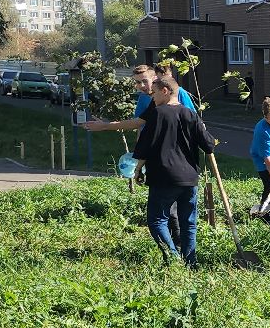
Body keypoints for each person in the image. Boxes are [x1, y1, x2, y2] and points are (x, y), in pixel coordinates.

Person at [87, 75, 214, 266]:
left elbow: (147, 145)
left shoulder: (157, 114)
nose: (152, 97)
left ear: (165, 91)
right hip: (189, 178)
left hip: (163, 176)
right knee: (189, 223)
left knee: (157, 220)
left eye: (154, 94)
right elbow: (209, 145)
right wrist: (201, 128)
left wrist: (138, 169)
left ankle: (172, 258)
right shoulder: (190, 114)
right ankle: (191, 262)